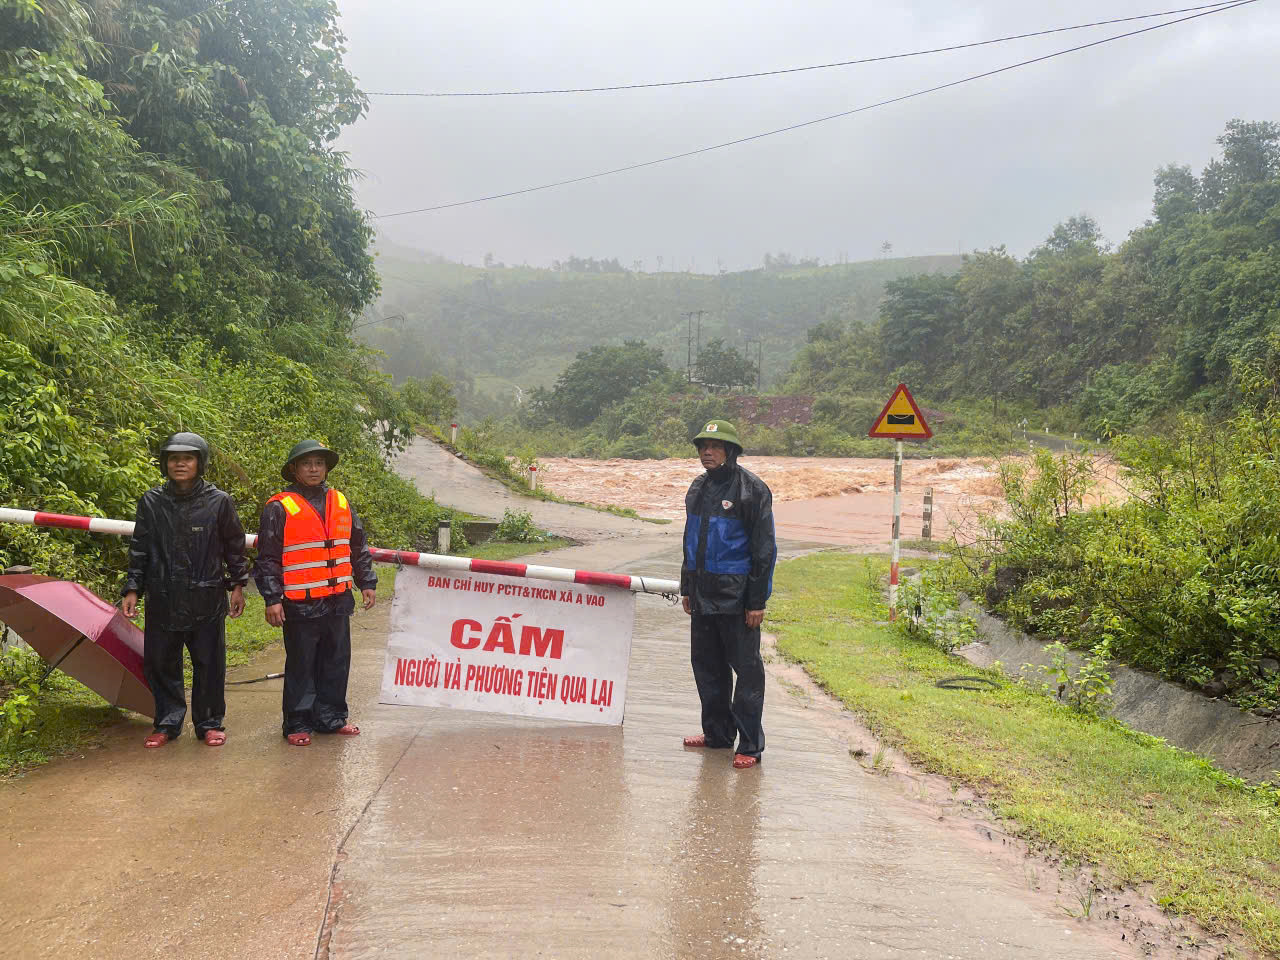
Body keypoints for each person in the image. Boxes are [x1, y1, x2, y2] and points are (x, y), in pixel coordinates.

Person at [122, 432, 248, 748]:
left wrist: (237, 584)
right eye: (174, 458)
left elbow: (234, 547)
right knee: (161, 661)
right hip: (163, 595)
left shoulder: (219, 502)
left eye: (188, 458)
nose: (180, 464)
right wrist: (133, 587)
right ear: (165, 463)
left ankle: (208, 723)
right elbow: (140, 548)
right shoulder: (151, 502)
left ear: (199, 463)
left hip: (206, 595)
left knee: (209, 661)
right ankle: (167, 721)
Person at [254, 440, 377, 746]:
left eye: (319, 463)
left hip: (337, 599)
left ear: (326, 468)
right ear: (294, 469)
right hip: (300, 602)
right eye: (306, 463)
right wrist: (272, 597)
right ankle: (297, 722)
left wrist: (368, 582)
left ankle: (332, 719)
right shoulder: (279, 507)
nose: (313, 469)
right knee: (301, 664)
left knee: (336, 661)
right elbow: (268, 557)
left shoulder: (341, 501)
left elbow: (357, 545)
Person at [680, 419, 777, 769]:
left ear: (731, 451)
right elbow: (690, 542)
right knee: (707, 667)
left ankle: (750, 745)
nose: (707, 452)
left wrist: (756, 601)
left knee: (747, 672)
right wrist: (687, 587)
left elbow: (764, 550)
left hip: (737, 599)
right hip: (703, 595)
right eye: (703, 446)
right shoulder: (697, 489)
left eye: (715, 446)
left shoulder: (752, 490)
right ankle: (718, 735)